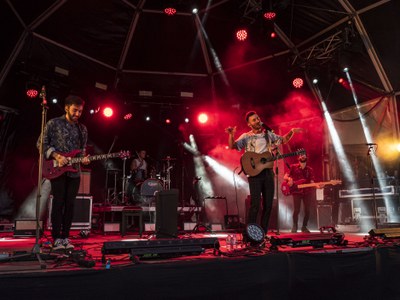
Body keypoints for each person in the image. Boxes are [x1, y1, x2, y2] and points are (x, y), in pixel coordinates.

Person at [226, 111, 302, 234]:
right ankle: (250, 233)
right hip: (254, 173)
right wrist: (231, 135)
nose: (257, 121)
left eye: (258, 118)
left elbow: (283, 140)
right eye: (254, 120)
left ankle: (263, 234)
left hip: (268, 172)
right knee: (255, 205)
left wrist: (292, 131)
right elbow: (232, 146)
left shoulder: (268, 134)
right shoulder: (246, 136)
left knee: (268, 205)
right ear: (249, 124)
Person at [38, 95, 90, 251]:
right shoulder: (53, 123)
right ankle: (56, 239)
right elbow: (41, 143)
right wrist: (56, 156)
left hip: (74, 172)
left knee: (70, 205)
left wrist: (84, 159)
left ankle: (65, 237)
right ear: (67, 107)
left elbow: (81, 151)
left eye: (80, 111)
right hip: (57, 169)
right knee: (58, 203)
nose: (77, 114)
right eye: (75, 110)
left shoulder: (82, 129)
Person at [283, 153, 321, 233]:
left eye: (304, 155)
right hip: (296, 192)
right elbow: (285, 176)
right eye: (301, 155)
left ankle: (304, 226)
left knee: (307, 210)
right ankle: (295, 226)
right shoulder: (293, 167)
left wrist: (318, 186)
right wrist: (290, 179)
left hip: (307, 192)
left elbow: (312, 181)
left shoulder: (309, 169)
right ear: (298, 157)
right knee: (296, 210)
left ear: (306, 157)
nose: (302, 156)